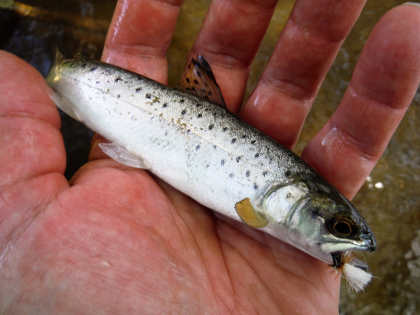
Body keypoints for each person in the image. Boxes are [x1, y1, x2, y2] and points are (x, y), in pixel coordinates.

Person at [0, 1, 419, 313]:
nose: (340, 237)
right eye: (339, 226)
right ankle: (58, 72)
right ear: (298, 196)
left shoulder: (274, 219)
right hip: (117, 96)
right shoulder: (259, 210)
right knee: (55, 77)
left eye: (340, 226)